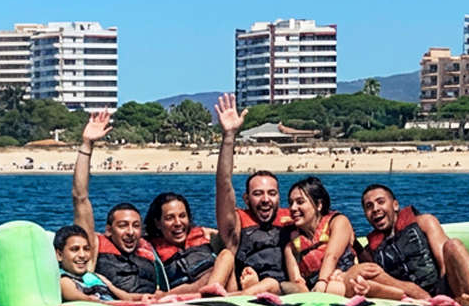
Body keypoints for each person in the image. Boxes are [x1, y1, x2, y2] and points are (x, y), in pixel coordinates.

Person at [345, 184, 469, 306]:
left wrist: (442, 297)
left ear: (395, 205)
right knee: (369, 272)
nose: (375, 209)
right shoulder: (370, 250)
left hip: (443, 286)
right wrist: (352, 241)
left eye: (381, 202)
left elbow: (444, 264)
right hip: (410, 297)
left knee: (454, 245)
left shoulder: (424, 222)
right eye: (369, 206)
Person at [70, 110, 163, 295]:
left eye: (136, 226)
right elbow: (80, 198)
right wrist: (87, 144)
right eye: (122, 225)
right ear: (109, 230)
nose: (130, 232)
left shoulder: (148, 251)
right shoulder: (94, 248)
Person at [212, 92, 295, 293]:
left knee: (274, 284)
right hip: (243, 288)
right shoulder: (237, 227)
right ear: (246, 199)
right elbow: (224, 185)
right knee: (228, 254)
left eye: (271, 193)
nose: (266, 199)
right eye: (258, 194)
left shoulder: (293, 222)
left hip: (281, 289)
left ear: (278, 197)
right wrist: (229, 136)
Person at [143, 191, 229, 295]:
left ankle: (212, 290)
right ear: (158, 223)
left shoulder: (204, 234)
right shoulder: (149, 248)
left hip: (219, 281)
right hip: (186, 289)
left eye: (182, 216)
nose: (178, 223)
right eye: (169, 218)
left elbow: (231, 235)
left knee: (227, 255)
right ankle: (211, 290)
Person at [283, 176, 357, 295]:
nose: (293, 208)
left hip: (346, 279)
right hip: (315, 292)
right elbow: (297, 281)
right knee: (286, 287)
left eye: (300, 202)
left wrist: (322, 281)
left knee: (333, 287)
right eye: (291, 203)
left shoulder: (338, 222)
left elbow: (331, 256)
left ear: (319, 205)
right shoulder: (291, 248)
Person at [54, 223, 131, 303]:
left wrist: (142, 297)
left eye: (86, 249)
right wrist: (93, 300)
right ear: (59, 255)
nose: (82, 255)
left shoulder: (95, 277)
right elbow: (73, 295)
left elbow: (127, 297)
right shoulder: (64, 280)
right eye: (75, 249)